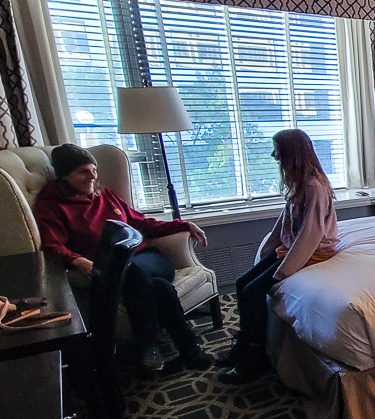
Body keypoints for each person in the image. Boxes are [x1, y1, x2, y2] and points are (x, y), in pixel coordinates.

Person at [34, 144, 212, 372]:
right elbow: (52, 245)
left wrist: (183, 224)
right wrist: (78, 260)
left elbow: (141, 223)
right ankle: (190, 349)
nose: (92, 176)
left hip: (147, 259)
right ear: (65, 175)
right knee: (159, 287)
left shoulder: (106, 195)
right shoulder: (51, 205)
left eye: (94, 170)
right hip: (108, 270)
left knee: (136, 272)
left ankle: (148, 347)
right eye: (83, 172)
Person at [218, 129, 339, 384]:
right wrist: (268, 251)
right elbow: (284, 223)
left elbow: (311, 232)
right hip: (297, 247)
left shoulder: (314, 187)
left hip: (317, 252)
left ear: (292, 154)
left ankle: (255, 356)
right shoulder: (299, 183)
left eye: (278, 151)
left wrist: (284, 270)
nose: (274, 155)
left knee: (253, 291)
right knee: (242, 284)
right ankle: (245, 343)